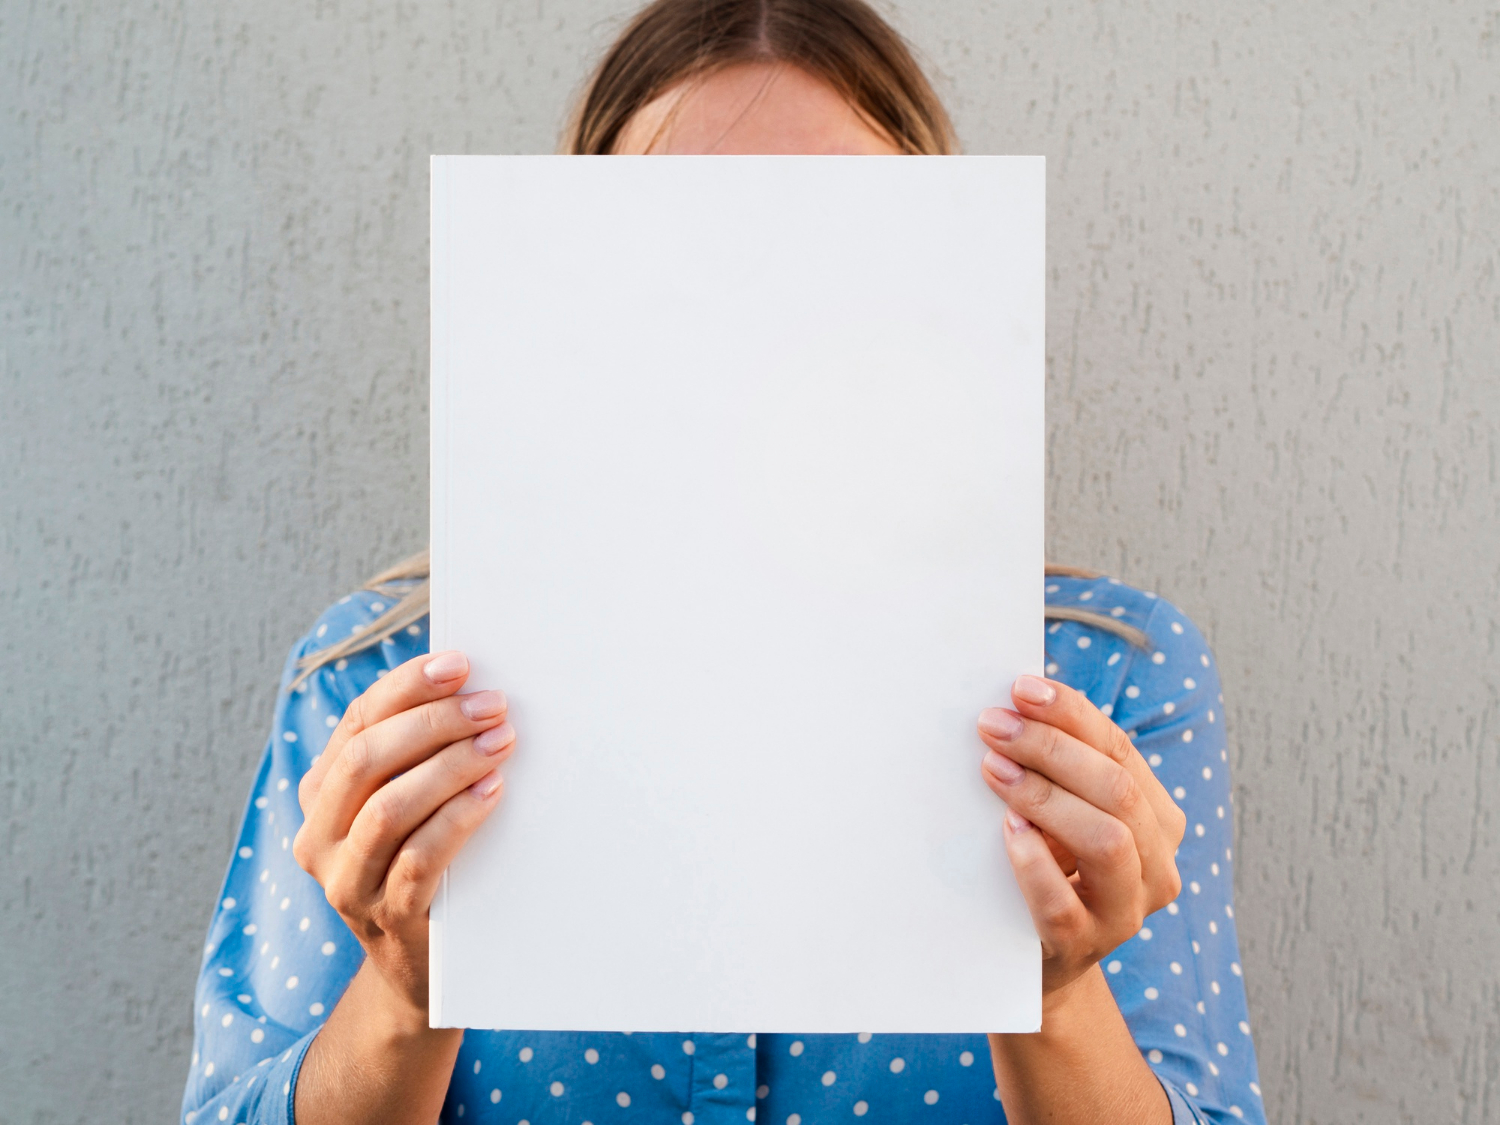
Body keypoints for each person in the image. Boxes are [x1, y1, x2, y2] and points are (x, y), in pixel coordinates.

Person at [181, 2, 1265, 1123]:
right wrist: (405, 995)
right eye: (676, 242)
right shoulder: (380, 685)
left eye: (838, 241)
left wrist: (1058, 992)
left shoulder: (1109, 683)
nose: (763, 304)